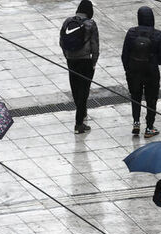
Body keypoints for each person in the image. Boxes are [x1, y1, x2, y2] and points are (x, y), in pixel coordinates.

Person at [121, 6, 161, 138]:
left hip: (134, 72)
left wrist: (128, 69)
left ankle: (136, 122)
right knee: (151, 100)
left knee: (135, 97)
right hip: (151, 72)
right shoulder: (158, 34)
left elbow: (125, 54)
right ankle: (149, 127)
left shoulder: (131, 33)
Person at [60, 0, 99, 134]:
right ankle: (79, 123)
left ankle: (81, 113)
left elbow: (61, 41)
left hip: (71, 60)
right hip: (85, 61)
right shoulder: (91, 24)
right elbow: (95, 45)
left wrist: (67, 56)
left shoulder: (67, 21)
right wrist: (94, 61)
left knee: (75, 88)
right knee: (84, 90)